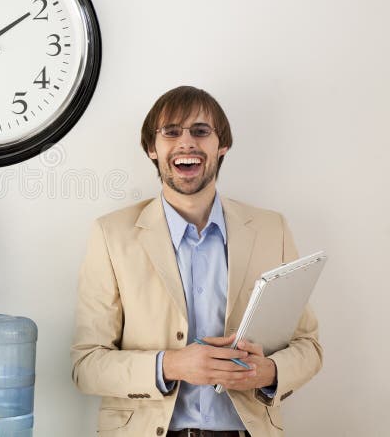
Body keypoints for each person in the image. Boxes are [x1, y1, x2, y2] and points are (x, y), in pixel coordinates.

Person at [71, 86, 322, 437]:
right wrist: (171, 365)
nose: (186, 142)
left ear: (222, 146)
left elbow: (308, 346)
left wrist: (267, 373)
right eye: (171, 132)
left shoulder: (271, 229)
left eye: (201, 131)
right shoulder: (112, 235)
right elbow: (87, 366)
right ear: (151, 149)